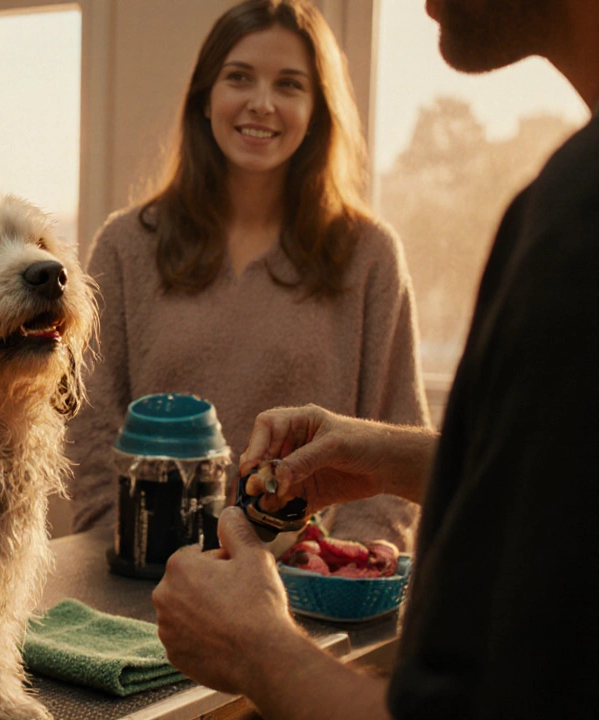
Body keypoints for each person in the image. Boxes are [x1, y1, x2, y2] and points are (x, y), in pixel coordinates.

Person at [152, 0, 599, 716]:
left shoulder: (575, 224)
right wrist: (405, 456)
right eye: (239, 77)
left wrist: (260, 647)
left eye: (290, 84)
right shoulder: (568, 209)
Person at [67, 0, 427, 550]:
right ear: (205, 97)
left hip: (303, 593)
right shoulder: (124, 245)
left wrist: (336, 568)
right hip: (145, 578)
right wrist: (121, 551)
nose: (261, 104)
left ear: (317, 109)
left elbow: (394, 451)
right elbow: (88, 431)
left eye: (289, 85)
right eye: (239, 78)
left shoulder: (370, 255)